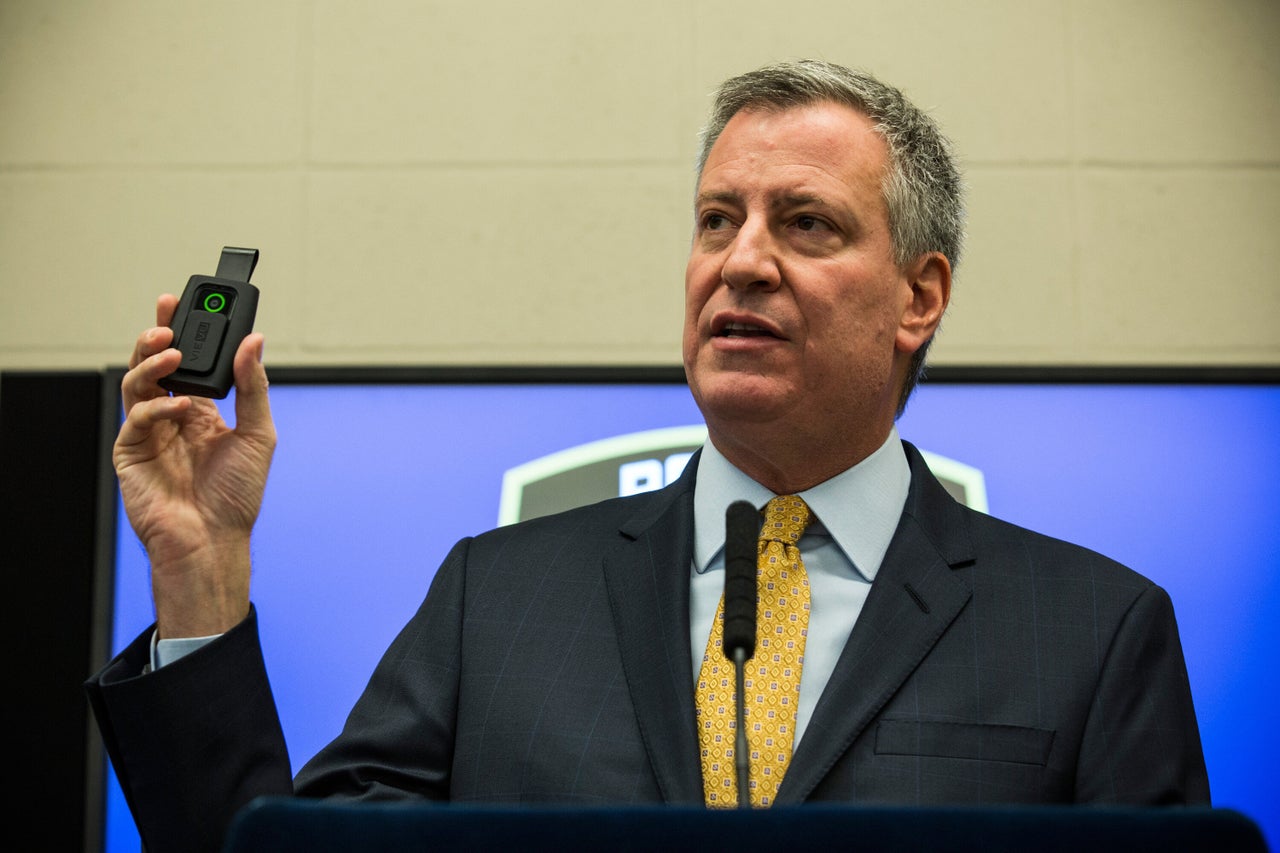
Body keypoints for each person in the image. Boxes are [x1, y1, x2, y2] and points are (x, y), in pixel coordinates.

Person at [87, 60, 1209, 853]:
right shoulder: (500, 598)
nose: (742, 261)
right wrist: (198, 571)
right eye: (716, 219)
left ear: (918, 296)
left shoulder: (1092, 631)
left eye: (804, 223)